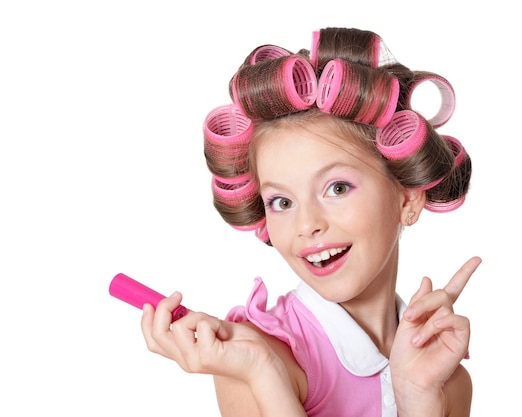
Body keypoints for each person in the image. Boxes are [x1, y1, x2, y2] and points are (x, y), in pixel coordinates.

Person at [140, 27, 481, 417]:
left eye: (337, 188)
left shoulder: (444, 378)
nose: (308, 225)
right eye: (282, 201)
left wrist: (416, 397)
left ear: (407, 197)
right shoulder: (255, 358)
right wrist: (264, 375)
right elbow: (259, 368)